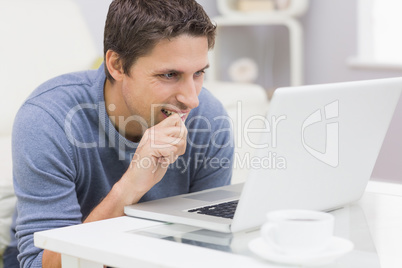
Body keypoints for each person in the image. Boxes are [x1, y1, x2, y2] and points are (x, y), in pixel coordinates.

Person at [4, 0, 234, 267]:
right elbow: (40, 263)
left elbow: (208, 246)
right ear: (117, 64)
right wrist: (130, 187)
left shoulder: (210, 118)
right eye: (169, 74)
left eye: (198, 73)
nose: (191, 99)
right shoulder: (47, 118)